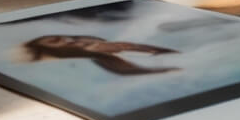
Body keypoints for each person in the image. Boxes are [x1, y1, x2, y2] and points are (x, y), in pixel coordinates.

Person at [23, 34, 179, 76]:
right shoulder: (120, 67)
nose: (70, 40)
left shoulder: (138, 44)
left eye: (73, 38)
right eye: (58, 41)